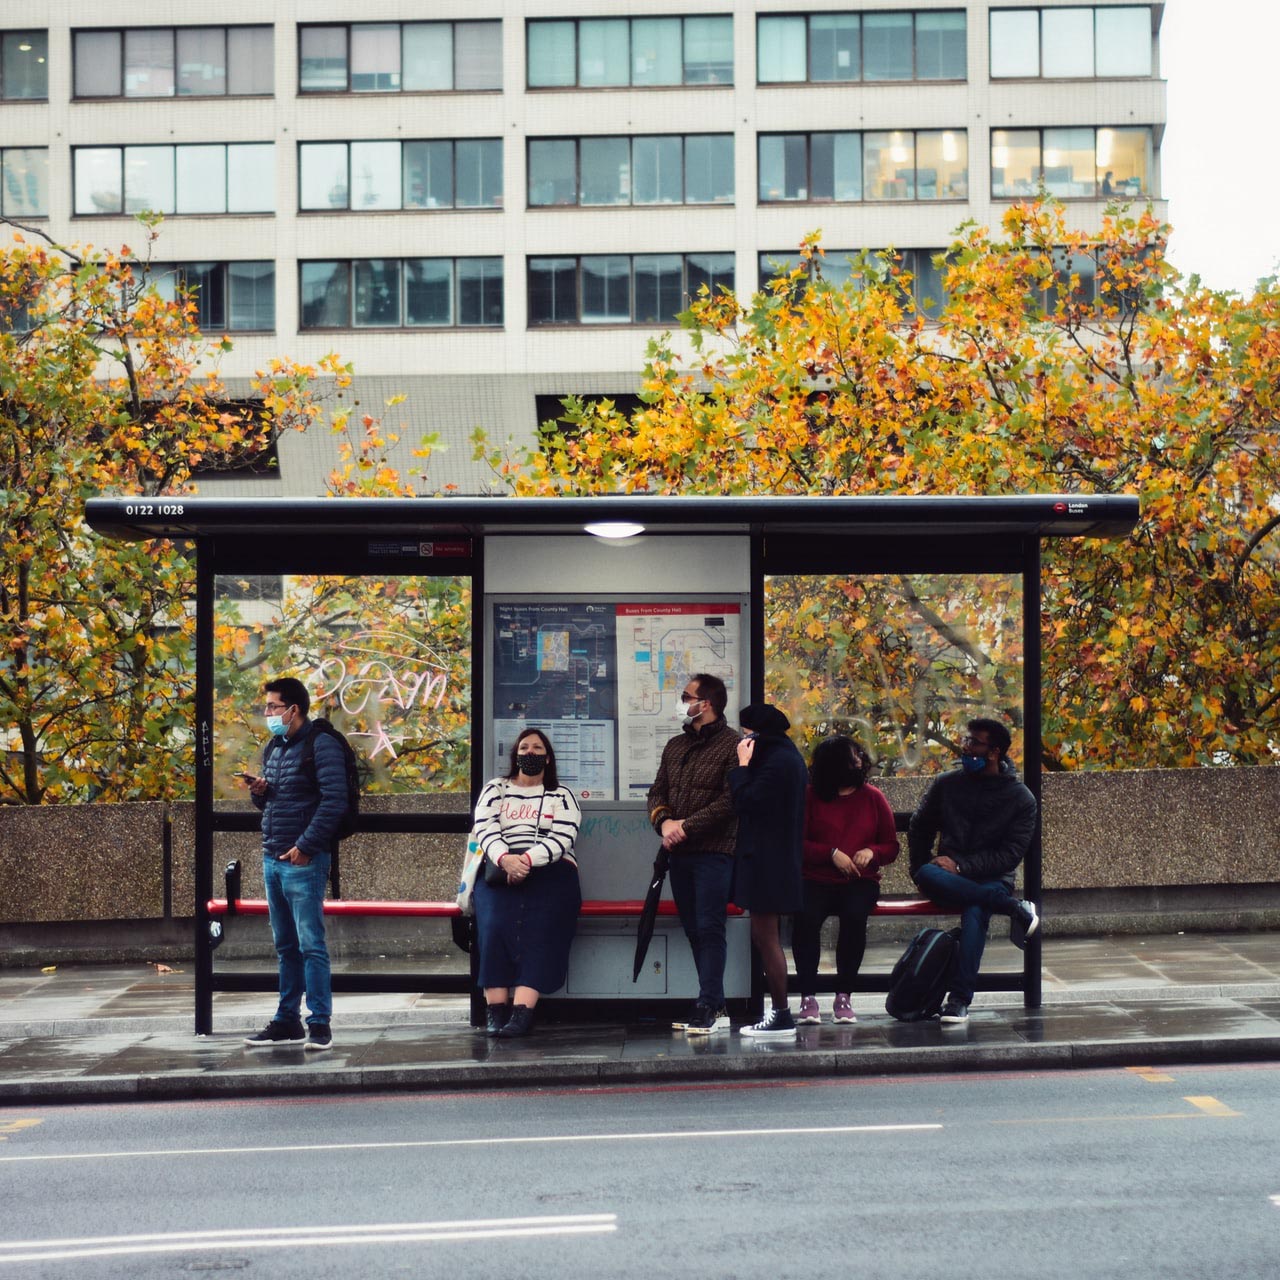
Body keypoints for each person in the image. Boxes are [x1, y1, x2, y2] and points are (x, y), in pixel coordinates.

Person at [908, 717, 1040, 1026]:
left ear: (994, 752)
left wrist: (962, 866)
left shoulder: (1021, 798)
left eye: (974, 743)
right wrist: (921, 866)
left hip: (990, 879)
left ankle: (958, 1001)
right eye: (966, 740)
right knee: (926, 873)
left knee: (976, 908)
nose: (966, 748)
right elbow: (919, 826)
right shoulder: (947, 783)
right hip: (945, 876)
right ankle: (1013, 908)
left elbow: (1009, 855)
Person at [242, 677, 347, 1052]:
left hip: (303, 859)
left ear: (293, 709)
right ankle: (287, 1020)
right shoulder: (276, 746)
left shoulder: (322, 745)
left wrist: (306, 846)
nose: (267, 713)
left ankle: (319, 1022)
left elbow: (335, 802)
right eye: (267, 707)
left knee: (310, 945)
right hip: (274, 855)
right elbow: (277, 802)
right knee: (285, 945)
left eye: (272, 707)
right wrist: (262, 792)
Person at [472, 728, 582, 1038]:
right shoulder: (495, 789)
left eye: (537, 748)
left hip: (551, 871)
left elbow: (563, 836)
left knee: (542, 928)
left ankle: (522, 1012)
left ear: (548, 758)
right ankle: (495, 1011)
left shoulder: (562, 795)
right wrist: (506, 859)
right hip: (499, 869)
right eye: (524, 747)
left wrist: (526, 861)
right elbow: (484, 828)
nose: (530, 753)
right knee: (493, 927)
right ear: (515, 755)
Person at [648, 673, 740, 1036]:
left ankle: (708, 1003)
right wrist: (665, 822)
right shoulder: (675, 746)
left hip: (715, 853)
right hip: (679, 855)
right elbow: (657, 792)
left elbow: (731, 801)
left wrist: (686, 826)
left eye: (687, 696)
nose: (682, 701)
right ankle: (714, 1001)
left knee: (710, 926)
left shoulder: (734, 746)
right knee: (693, 929)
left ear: (708, 703)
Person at [794, 736, 899, 1025]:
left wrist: (871, 852)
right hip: (815, 877)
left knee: (855, 917)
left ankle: (844, 996)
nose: (860, 761)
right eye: (854, 756)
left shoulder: (873, 797)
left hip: (859, 881)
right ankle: (807, 997)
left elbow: (891, 846)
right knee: (805, 918)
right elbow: (796, 844)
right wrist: (831, 854)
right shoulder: (809, 796)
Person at [728, 704, 808, 1039]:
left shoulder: (776, 762)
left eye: (746, 731)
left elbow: (747, 801)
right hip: (772, 859)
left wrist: (742, 766)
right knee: (764, 937)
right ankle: (779, 1013)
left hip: (767, 862)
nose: (744, 738)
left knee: (767, 938)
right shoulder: (786, 757)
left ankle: (780, 1014)